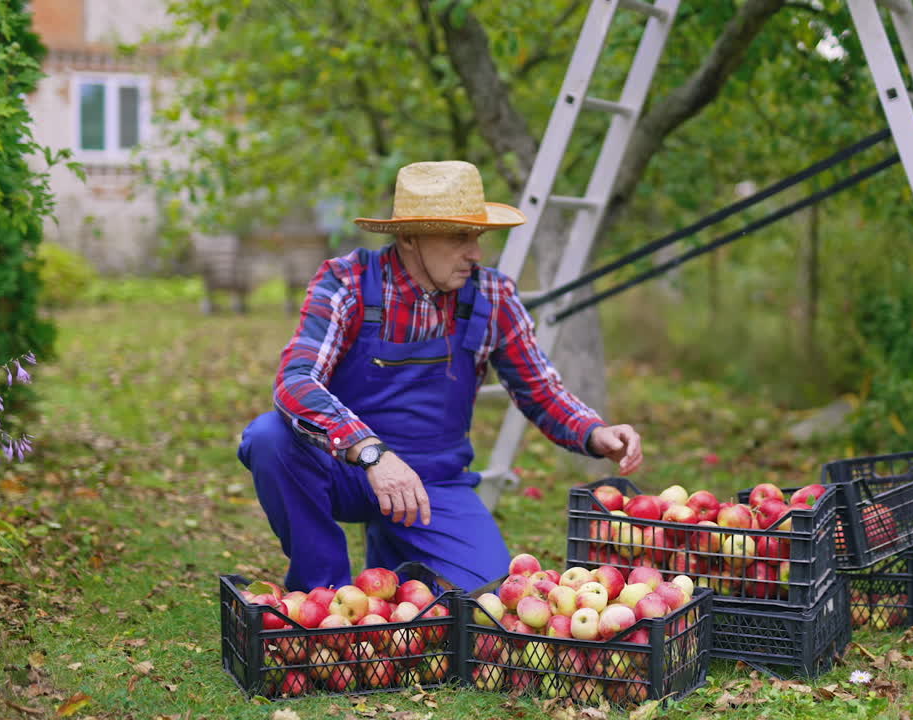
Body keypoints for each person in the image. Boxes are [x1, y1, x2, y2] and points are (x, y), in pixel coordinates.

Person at [238, 160, 643, 592]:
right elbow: (296, 381)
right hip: (349, 469)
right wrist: (372, 453)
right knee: (270, 438)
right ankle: (322, 590)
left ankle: (395, 557)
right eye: (458, 237)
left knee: (489, 601)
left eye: (477, 237)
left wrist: (594, 431)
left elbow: (540, 390)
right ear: (409, 237)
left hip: (434, 485)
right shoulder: (348, 282)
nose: (475, 253)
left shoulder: (492, 295)